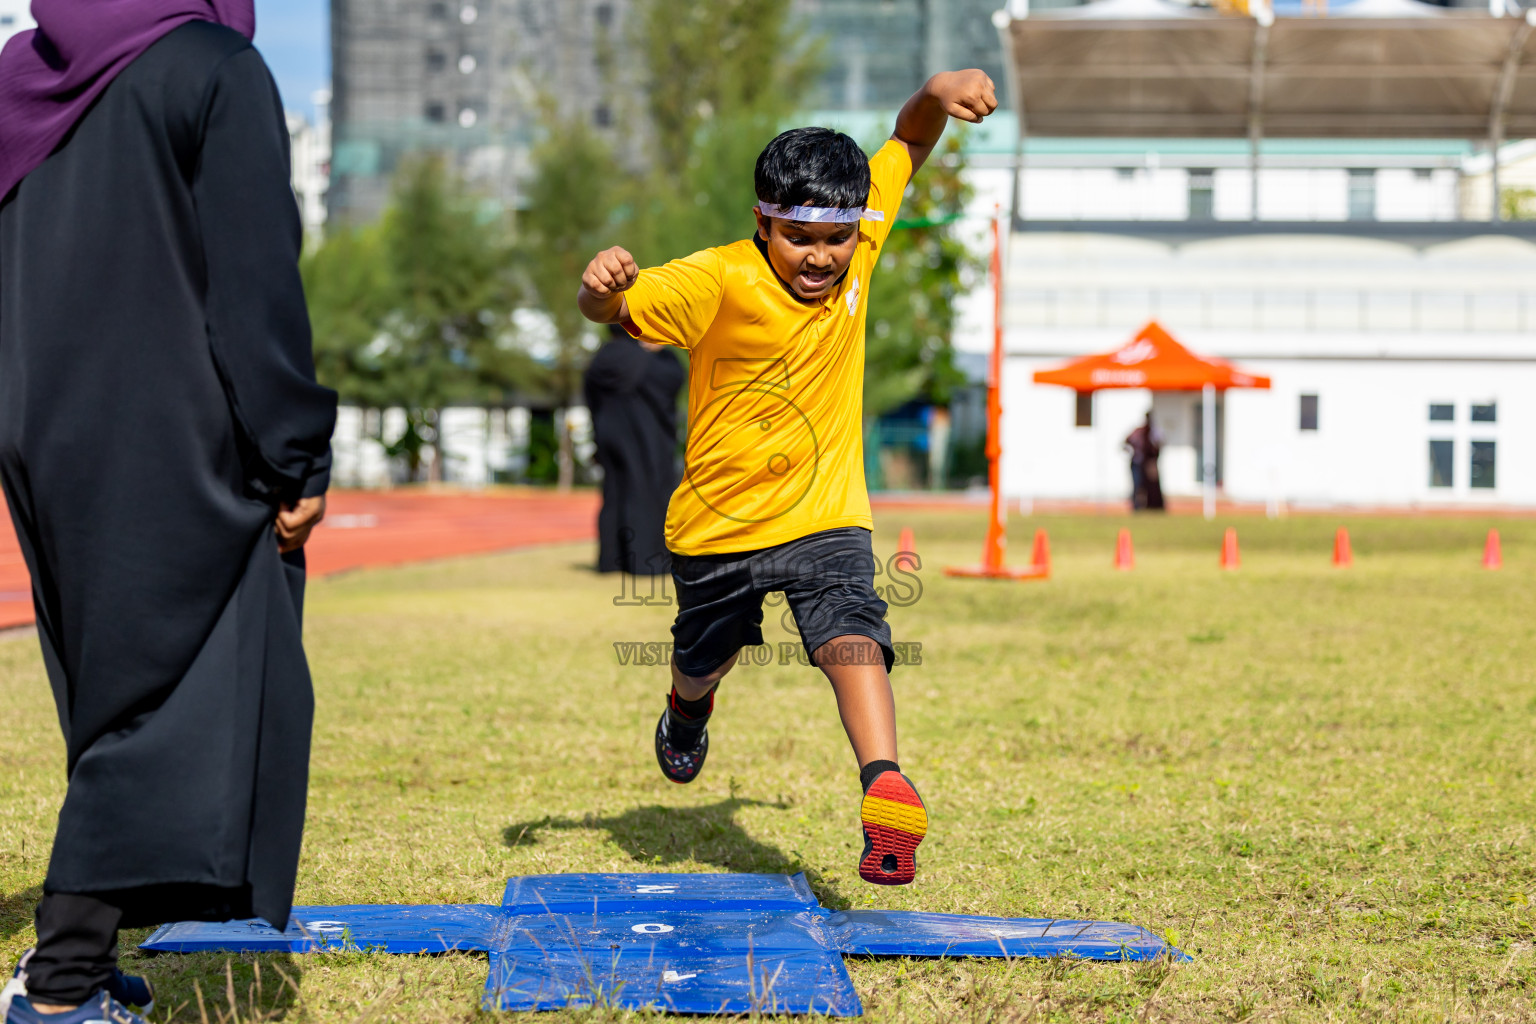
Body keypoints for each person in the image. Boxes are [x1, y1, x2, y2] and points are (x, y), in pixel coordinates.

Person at [0, 3, 337, 1022]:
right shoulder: (211, 68)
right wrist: (297, 452)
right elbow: (255, 284)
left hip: (40, 423)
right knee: (174, 703)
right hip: (170, 429)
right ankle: (58, 988)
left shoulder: (23, 76)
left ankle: (89, 959)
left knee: (113, 687)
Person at [577, 70, 997, 886]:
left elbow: (910, 138)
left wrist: (934, 88)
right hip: (716, 525)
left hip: (824, 510)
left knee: (853, 628)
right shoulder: (717, 279)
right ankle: (685, 712)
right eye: (800, 237)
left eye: (837, 239)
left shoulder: (860, 238)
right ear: (764, 223)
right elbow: (617, 311)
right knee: (704, 657)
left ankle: (884, 783)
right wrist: (601, 292)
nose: (822, 257)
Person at [583, 324, 686, 576]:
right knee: (648, 493)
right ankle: (646, 562)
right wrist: (657, 351)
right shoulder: (651, 362)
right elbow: (674, 378)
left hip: (608, 435)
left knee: (614, 492)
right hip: (645, 437)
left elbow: (590, 396)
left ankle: (610, 560)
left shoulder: (601, 359)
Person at [1124, 411, 1165, 512]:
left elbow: (1159, 445)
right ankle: (1136, 507)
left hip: (1149, 462)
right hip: (1137, 462)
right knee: (1137, 485)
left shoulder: (1154, 431)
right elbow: (1126, 441)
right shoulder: (1138, 432)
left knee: (1151, 486)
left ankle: (1152, 506)